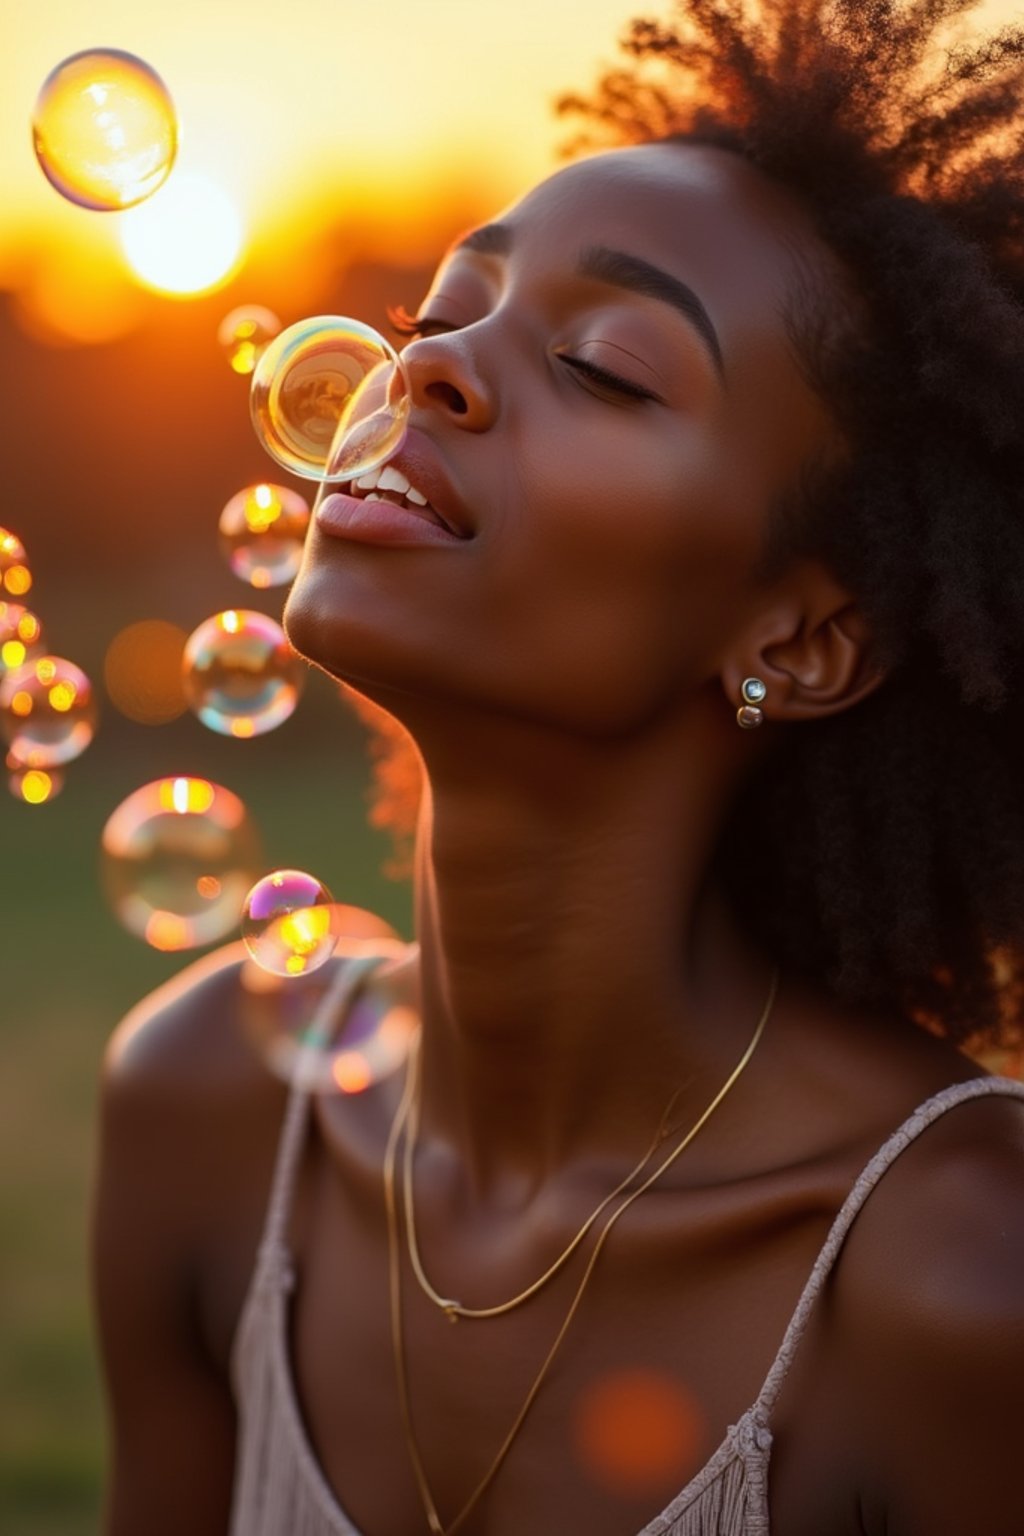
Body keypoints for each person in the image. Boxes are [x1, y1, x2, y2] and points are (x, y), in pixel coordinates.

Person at [92, 2, 1024, 1532]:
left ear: (800, 641)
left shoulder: (959, 1285)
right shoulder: (203, 1110)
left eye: (600, 364)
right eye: (441, 314)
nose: (435, 367)